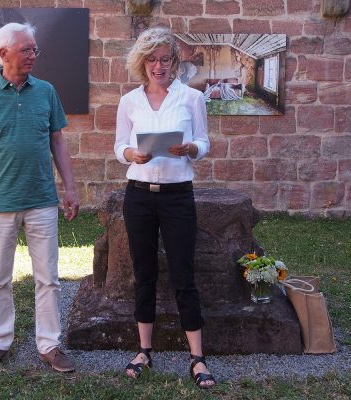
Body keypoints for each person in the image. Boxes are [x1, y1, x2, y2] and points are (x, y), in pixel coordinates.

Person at [0, 22, 79, 372]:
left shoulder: (46, 92)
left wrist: (69, 188)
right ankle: (0, 340)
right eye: (26, 49)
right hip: (0, 203)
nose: (33, 55)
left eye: (34, 49)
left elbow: (58, 141)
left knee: (48, 278)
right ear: (3, 53)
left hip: (42, 200)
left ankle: (50, 344)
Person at [114, 27, 215, 389]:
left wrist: (191, 149)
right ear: (142, 63)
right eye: (152, 59)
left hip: (176, 195)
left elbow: (204, 141)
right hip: (139, 194)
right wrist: (131, 154)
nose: (159, 66)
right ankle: (143, 350)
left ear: (175, 62)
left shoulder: (190, 99)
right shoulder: (130, 101)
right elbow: (119, 146)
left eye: (165, 59)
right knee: (144, 272)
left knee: (183, 273)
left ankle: (197, 358)